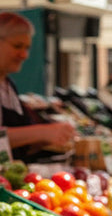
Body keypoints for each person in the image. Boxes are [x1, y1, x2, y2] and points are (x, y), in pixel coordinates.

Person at [0, 12, 76, 161]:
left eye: (27, 48)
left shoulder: (8, 85)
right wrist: (41, 132)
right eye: (17, 46)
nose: (24, 55)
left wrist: (48, 138)